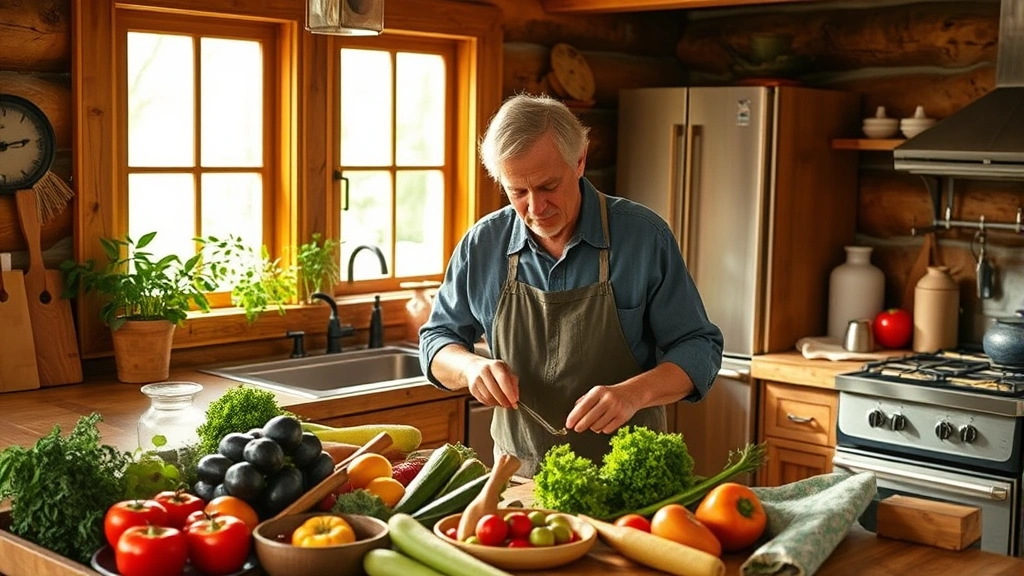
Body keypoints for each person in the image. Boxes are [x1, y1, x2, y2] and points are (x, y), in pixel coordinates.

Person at [418, 93, 723, 476]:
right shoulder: (483, 244)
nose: (535, 207)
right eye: (518, 192)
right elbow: (436, 341)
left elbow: (699, 348)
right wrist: (469, 368)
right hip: (518, 480)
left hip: (628, 478)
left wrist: (633, 394)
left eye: (548, 186)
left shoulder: (644, 237)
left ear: (579, 161)